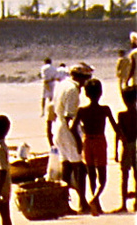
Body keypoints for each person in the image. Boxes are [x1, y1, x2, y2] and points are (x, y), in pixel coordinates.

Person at [47, 64, 91, 213]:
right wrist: (78, 141)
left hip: (57, 128)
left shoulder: (62, 84)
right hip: (67, 130)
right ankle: (82, 202)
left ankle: (63, 203)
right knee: (79, 167)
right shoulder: (73, 90)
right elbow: (69, 117)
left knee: (66, 166)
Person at [75, 77, 117, 215]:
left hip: (87, 141)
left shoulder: (82, 111)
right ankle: (95, 199)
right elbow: (115, 127)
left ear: (86, 93)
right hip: (99, 141)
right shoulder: (104, 109)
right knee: (102, 177)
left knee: (91, 175)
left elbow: (71, 127)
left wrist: (78, 139)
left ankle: (96, 205)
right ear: (101, 93)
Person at [115, 86, 137, 214]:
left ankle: (123, 203)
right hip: (135, 144)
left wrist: (116, 151)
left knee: (125, 175)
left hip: (127, 146)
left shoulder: (122, 115)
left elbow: (119, 134)